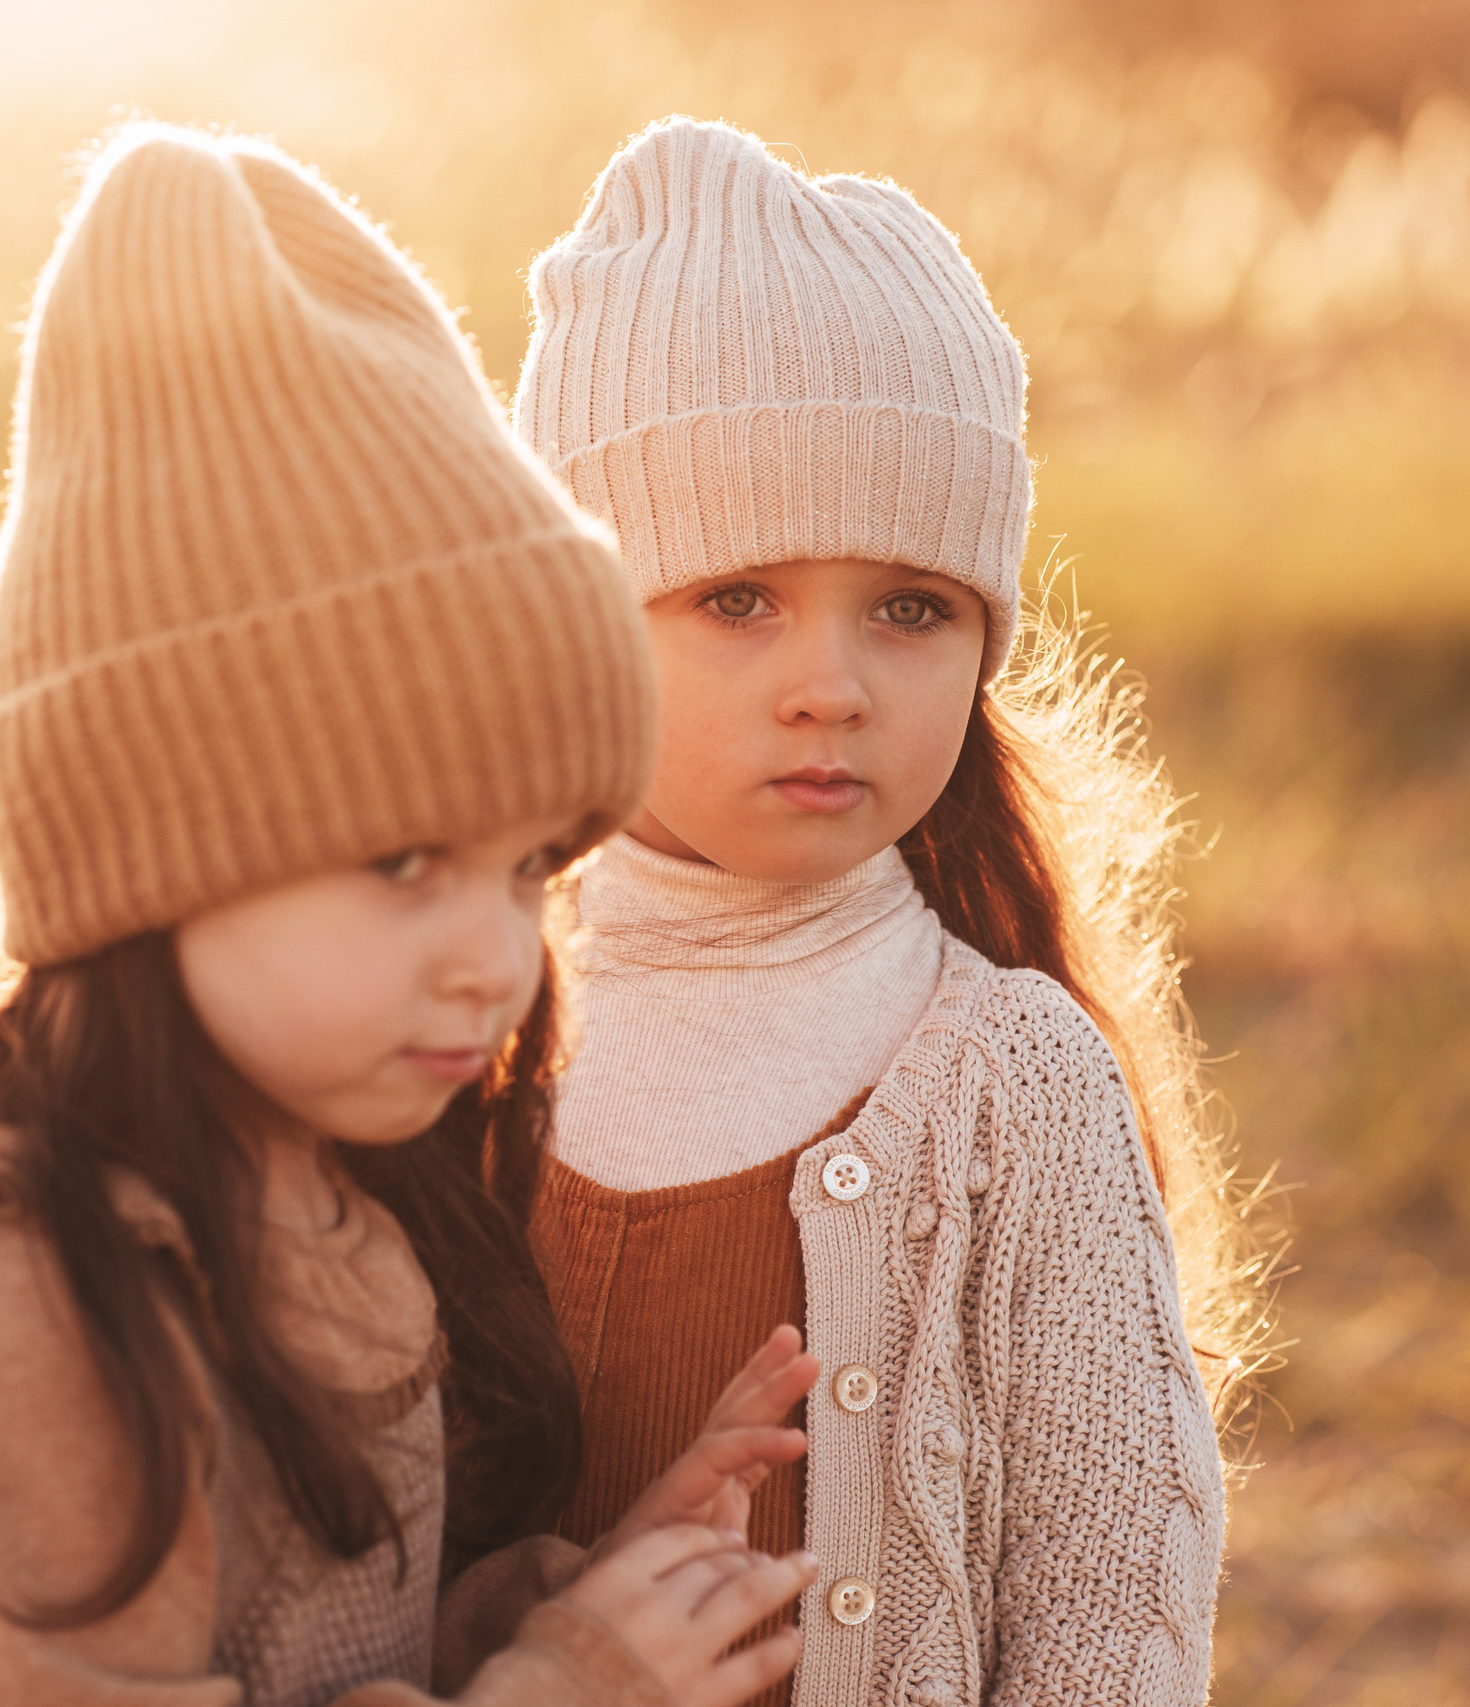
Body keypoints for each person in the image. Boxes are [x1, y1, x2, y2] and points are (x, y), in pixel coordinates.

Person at [0, 125, 821, 1707]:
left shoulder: (352, 1211)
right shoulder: (31, 1312)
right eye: (403, 860)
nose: (494, 952)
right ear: (155, 854)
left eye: (528, 869)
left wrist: (577, 1604)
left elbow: (319, 1649)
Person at [506, 117, 1270, 1706]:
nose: (831, 689)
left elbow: (1107, 1604)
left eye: (911, 609)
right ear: (573, 623)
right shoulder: (448, 1031)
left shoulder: (1012, 1080)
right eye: (736, 600)